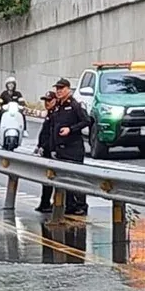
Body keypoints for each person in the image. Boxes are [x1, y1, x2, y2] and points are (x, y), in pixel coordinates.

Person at [39, 78, 92, 216]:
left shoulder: (75, 105)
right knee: (65, 180)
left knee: (76, 178)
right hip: (60, 149)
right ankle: (70, 205)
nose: (59, 91)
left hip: (73, 149)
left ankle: (81, 206)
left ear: (68, 89)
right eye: (57, 89)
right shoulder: (58, 107)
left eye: (61, 88)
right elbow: (51, 128)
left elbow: (86, 121)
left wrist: (71, 129)